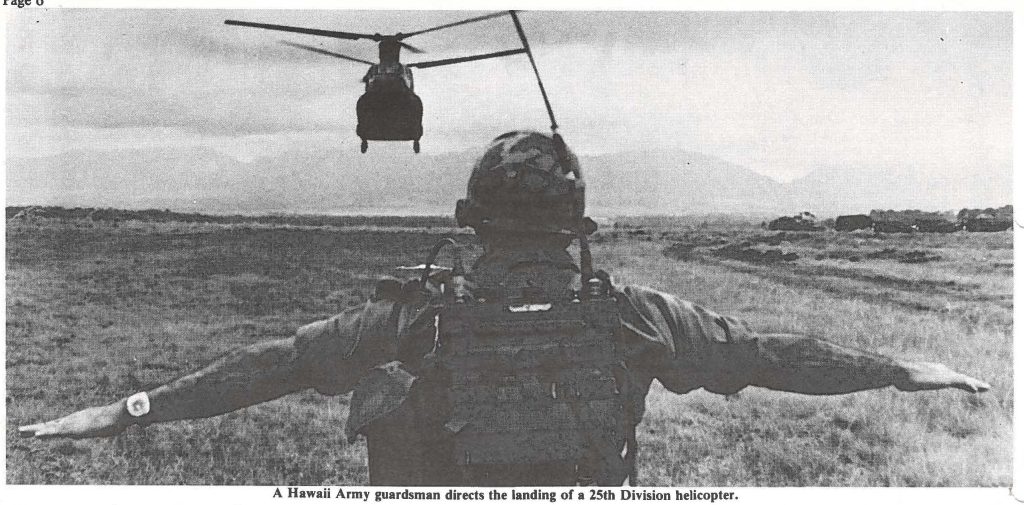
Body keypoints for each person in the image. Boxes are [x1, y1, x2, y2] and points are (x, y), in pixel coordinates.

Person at [19, 131, 990, 486]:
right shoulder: (636, 315)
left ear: (465, 220)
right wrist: (902, 366)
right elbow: (773, 354)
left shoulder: (403, 322)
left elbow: (270, 365)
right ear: (581, 226)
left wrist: (131, 409)